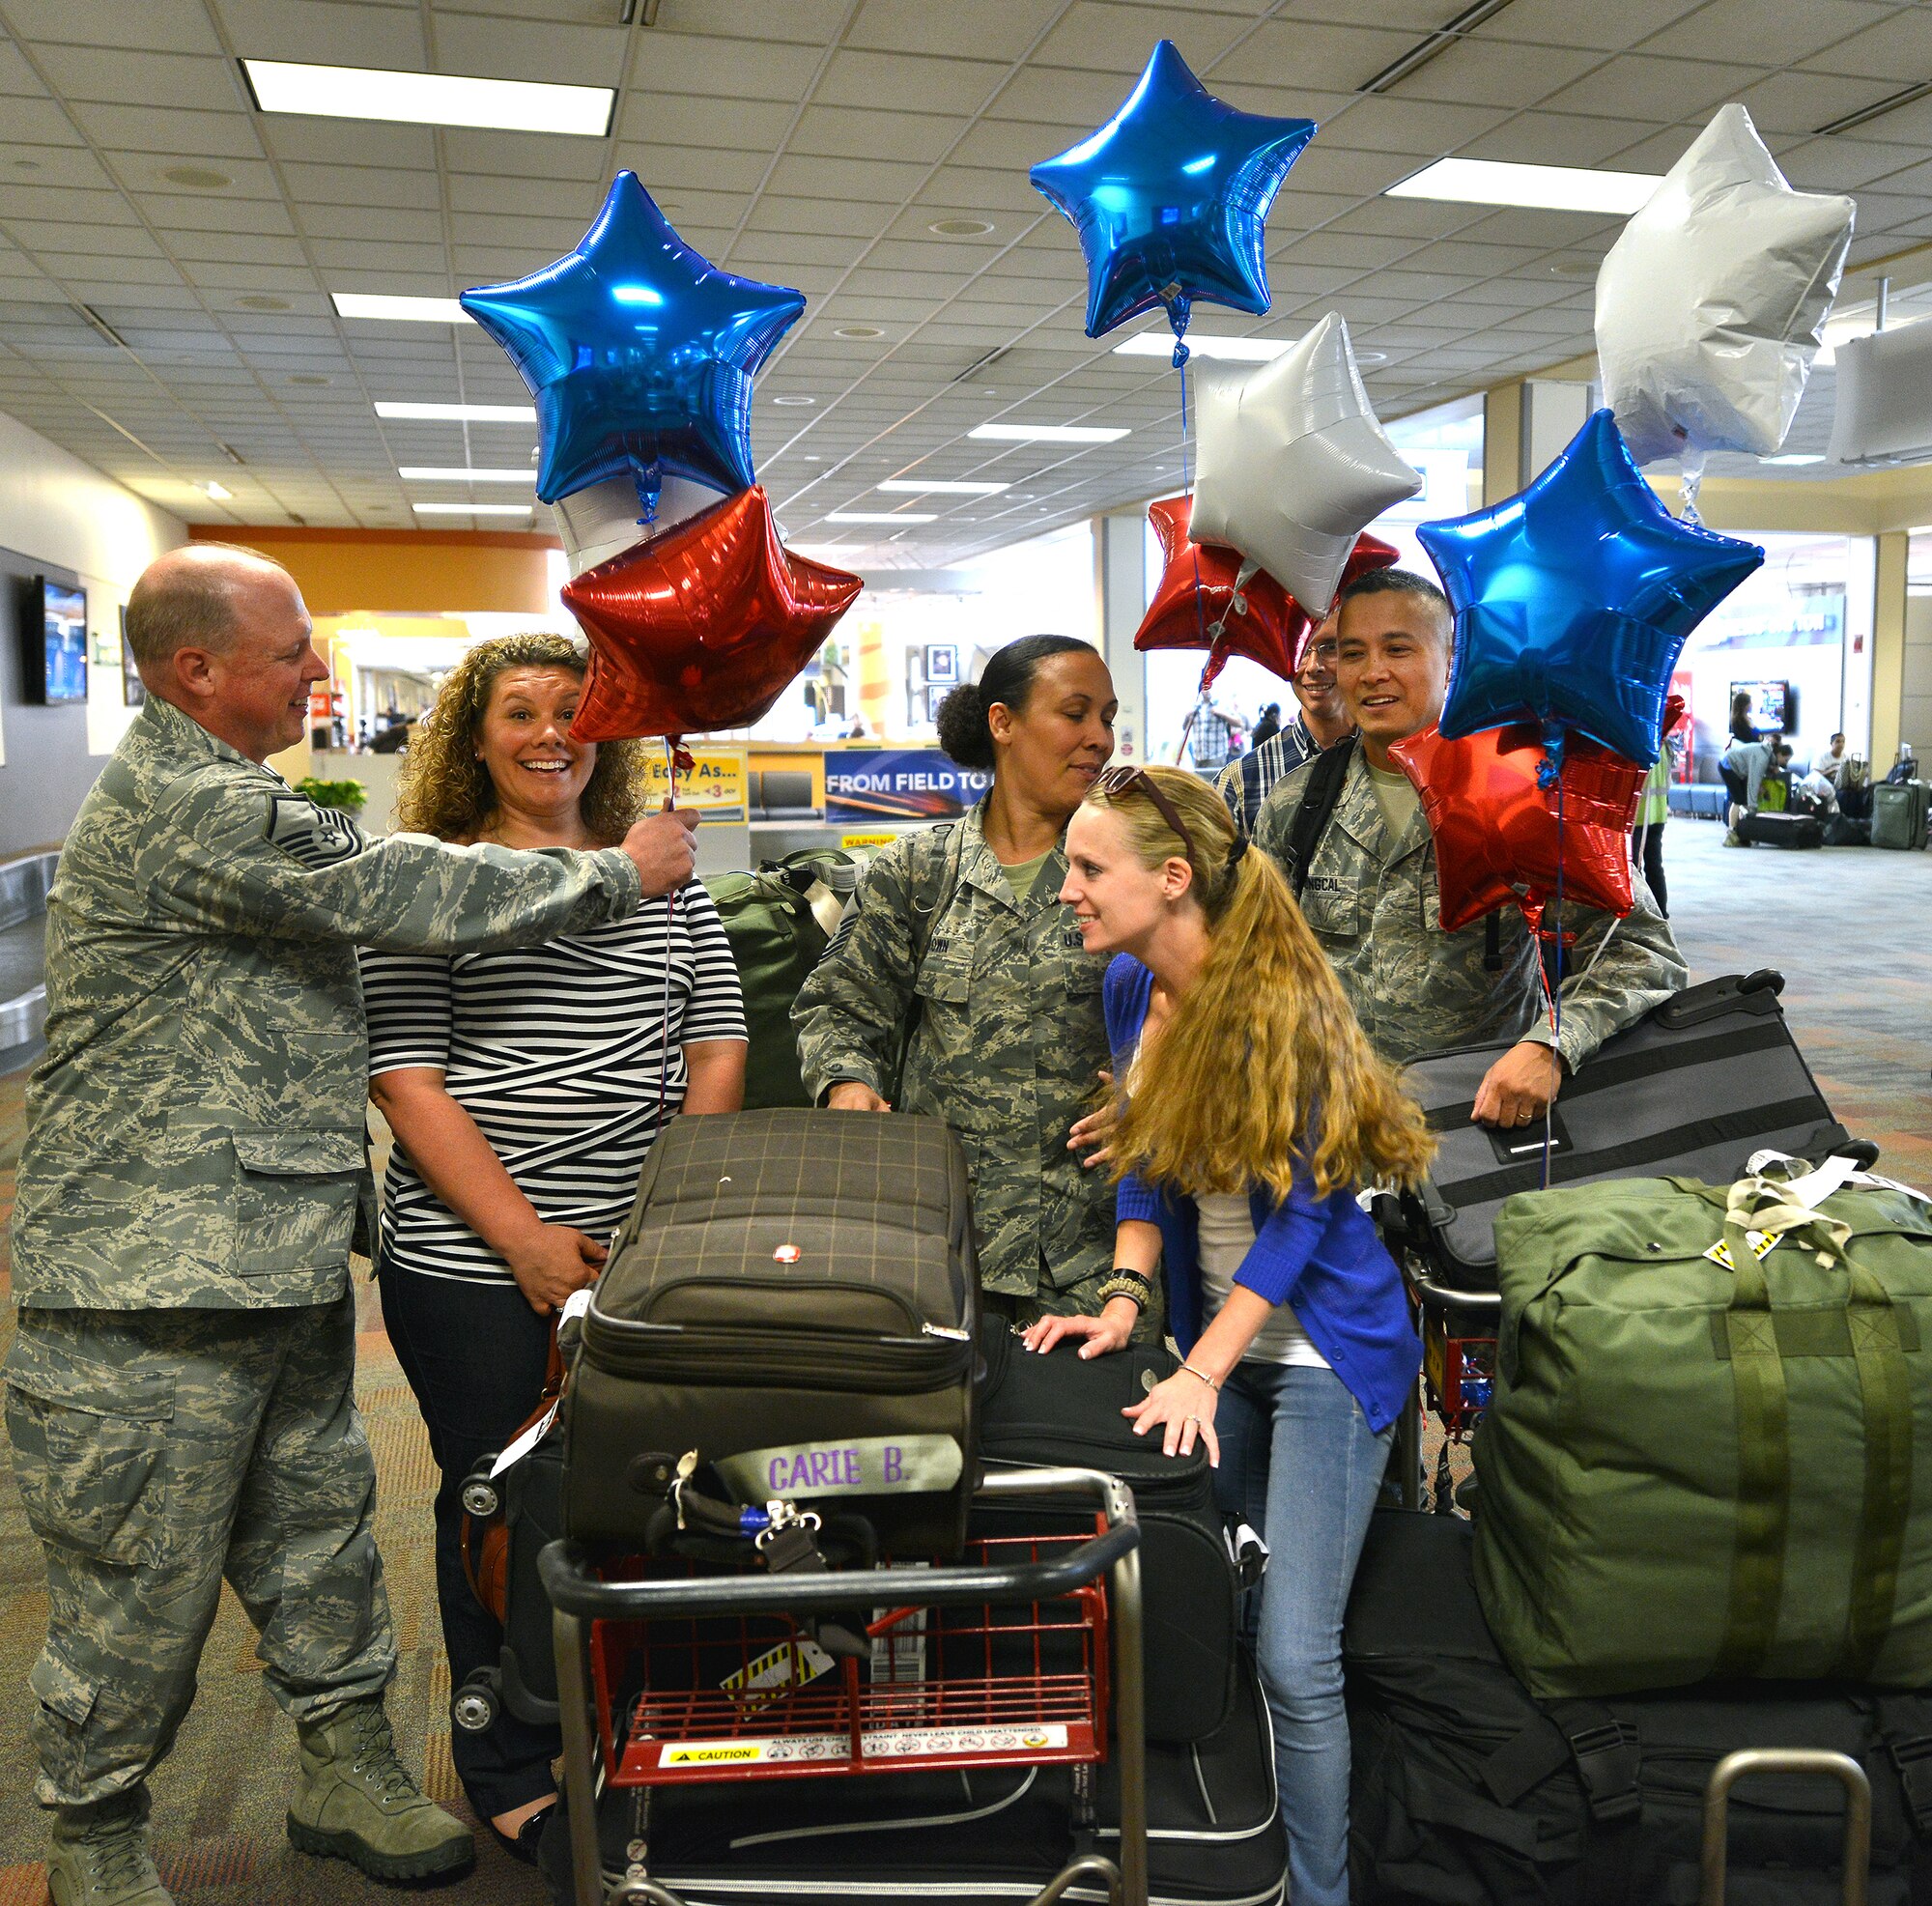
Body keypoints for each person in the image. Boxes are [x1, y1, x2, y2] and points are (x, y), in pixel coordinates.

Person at [5, 544, 698, 1906]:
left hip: (273, 1255)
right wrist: (618, 875)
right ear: (198, 671)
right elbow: (411, 896)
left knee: (317, 1536)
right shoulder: (186, 805)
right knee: (141, 1581)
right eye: (293, 650)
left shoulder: (240, 793)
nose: (319, 668)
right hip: (145, 1284)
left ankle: (340, 1770)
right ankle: (93, 1839)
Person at [360, 635, 747, 1863]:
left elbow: (718, 1040)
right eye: (516, 712)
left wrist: (668, 1219)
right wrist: (523, 1239)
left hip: (642, 1254)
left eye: (572, 711)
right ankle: (506, 1751)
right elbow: (405, 1076)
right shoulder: (429, 879)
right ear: (470, 739)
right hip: (470, 1262)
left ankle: (634, 1722)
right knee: (497, 1501)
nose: (547, 734)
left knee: (643, 1488)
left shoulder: (664, 871)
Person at [1029, 762, 1435, 1906]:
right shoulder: (1126, 986)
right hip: (1222, 1351)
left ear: (1170, 879)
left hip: (1320, 1354)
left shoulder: (1278, 1011)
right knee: (1229, 1607)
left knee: (1292, 1653)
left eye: (1085, 866)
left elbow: (1303, 1218)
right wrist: (1121, 1300)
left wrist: (1202, 1368)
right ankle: (1239, 1856)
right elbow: (1145, 1172)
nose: (1066, 888)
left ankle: (1319, 1892)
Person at [1254, 569, 1685, 1125]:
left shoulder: (1519, 796)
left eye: (1399, 649)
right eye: (1352, 653)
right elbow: (1255, 963)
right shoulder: (1298, 805)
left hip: (1468, 1131)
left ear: (1454, 660)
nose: (1372, 672)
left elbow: (1642, 953)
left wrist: (1552, 1044)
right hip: (1327, 1132)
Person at [794, 636, 1126, 1327]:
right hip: (939, 1247)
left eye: (1109, 718)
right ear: (1003, 723)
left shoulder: (1132, 868)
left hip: (1089, 1255)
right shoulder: (918, 870)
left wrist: (1157, 1100)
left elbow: (1204, 1012)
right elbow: (841, 1005)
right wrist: (848, 1084)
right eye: (1076, 714)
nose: (1100, 738)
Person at [1218, 611, 1353, 835]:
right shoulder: (1242, 782)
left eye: (1330, 648)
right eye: (1300, 649)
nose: (1313, 667)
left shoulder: (1389, 761)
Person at [1633, 730, 1674, 917]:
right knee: (1654, 865)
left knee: (1634, 869)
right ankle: (1661, 913)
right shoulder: (1665, 745)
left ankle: (1638, 914)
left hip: (1638, 817)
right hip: (1658, 815)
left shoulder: (1642, 744)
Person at [1721, 690, 1775, 820]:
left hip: (1751, 759)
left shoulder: (1748, 719)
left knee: (1743, 798)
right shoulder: (1738, 722)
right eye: (1750, 702)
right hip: (1745, 761)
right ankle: (1735, 827)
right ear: (1745, 704)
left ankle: (1743, 826)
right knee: (1739, 799)